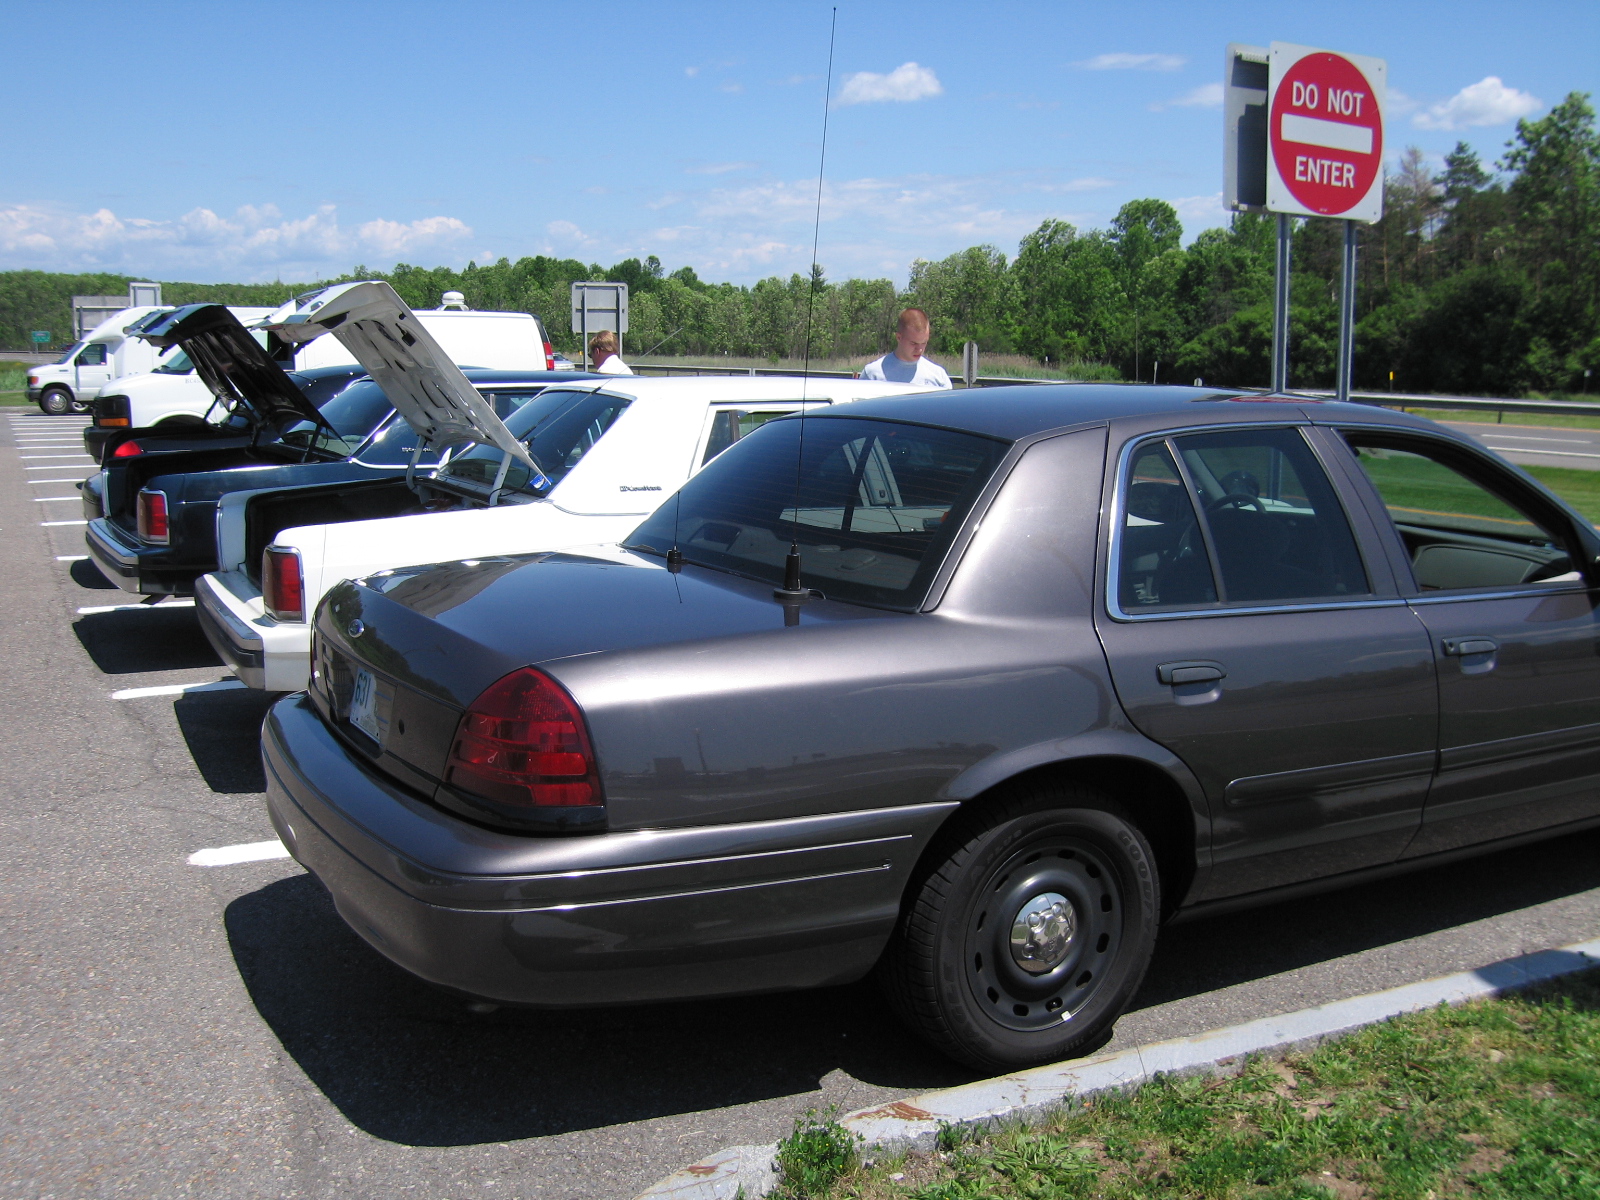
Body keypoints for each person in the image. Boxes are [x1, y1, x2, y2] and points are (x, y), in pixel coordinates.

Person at [859, 308, 952, 389]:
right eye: (913, 343)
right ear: (899, 337)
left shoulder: (939, 377)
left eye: (924, 343)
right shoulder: (872, 374)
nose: (919, 349)